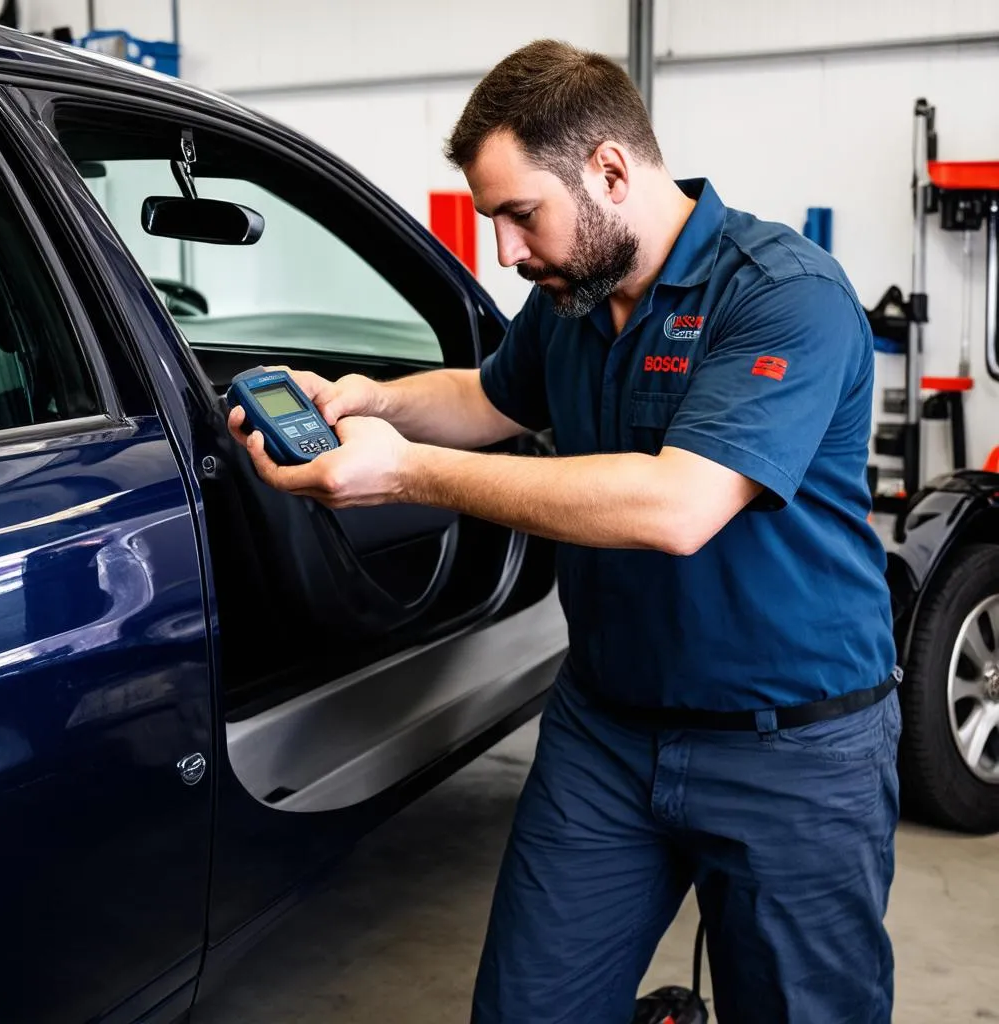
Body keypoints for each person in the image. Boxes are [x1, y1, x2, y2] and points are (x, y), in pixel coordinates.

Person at [228, 39, 901, 1024]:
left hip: (792, 751)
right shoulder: (569, 299)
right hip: (608, 733)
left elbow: (676, 509)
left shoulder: (781, 295)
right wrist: (379, 399)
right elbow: (488, 398)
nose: (505, 250)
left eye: (516, 214)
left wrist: (408, 471)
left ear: (611, 171)